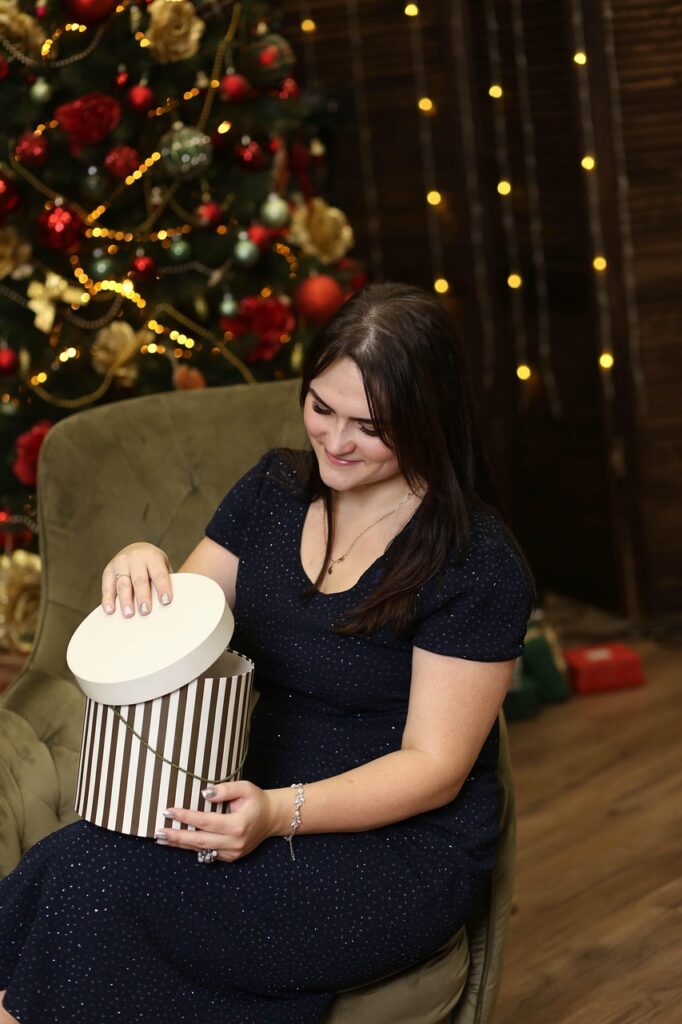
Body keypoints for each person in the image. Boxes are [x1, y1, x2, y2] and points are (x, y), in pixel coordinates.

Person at [0, 282, 534, 1023]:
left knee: (102, 882)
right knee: (67, 862)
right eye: (322, 408)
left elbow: (435, 770)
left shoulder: (475, 562)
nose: (336, 442)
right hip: (245, 789)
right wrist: (136, 557)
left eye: (370, 427)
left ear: (428, 421)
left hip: (388, 848)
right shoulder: (274, 491)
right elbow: (178, 620)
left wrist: (278, 813)